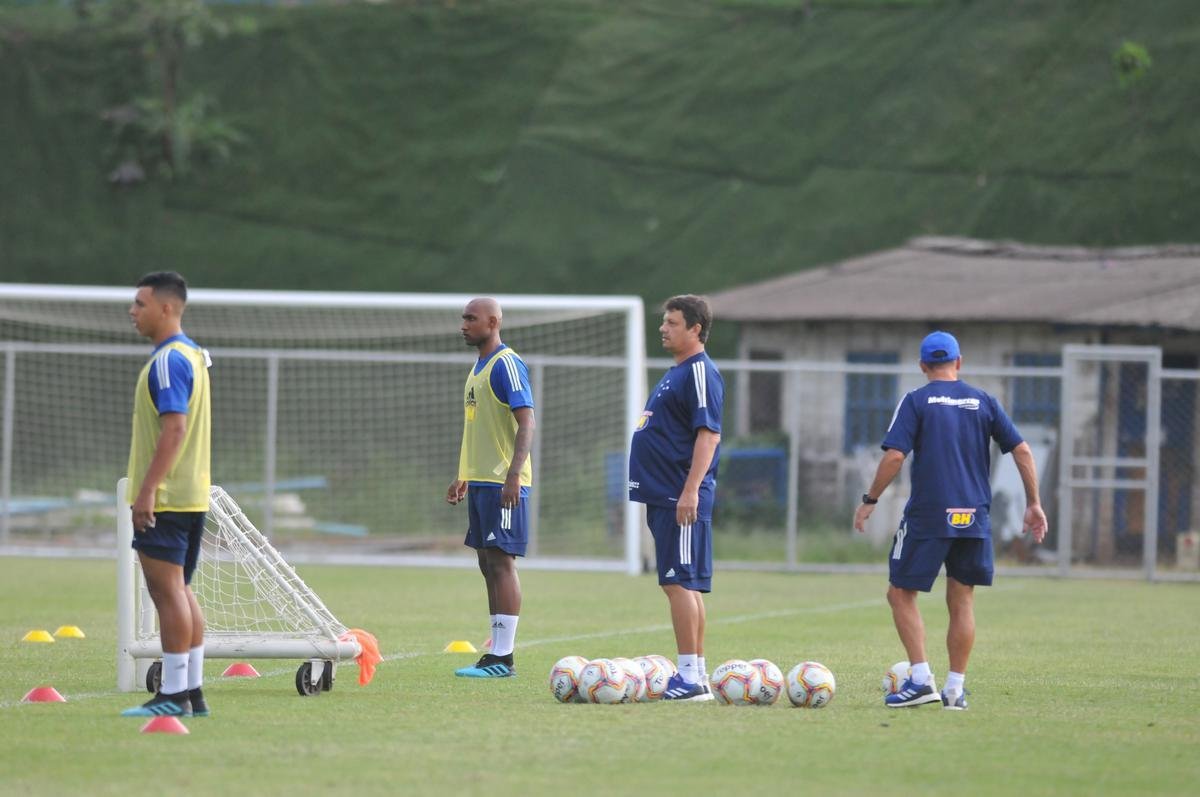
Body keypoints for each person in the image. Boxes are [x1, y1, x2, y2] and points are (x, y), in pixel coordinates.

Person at [853, 331, 1047, 710]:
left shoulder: (916, 400)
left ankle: (921, 679)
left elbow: (895, 456)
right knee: (962, 600)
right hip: (974, 516)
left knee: (899, 593)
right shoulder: (984, 401)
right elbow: (1021, 449)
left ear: (923, 366)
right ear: (959, 362)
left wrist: (870, 499)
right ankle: (955, 690)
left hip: (929, 515)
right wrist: (1034, 503)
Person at [121, 272, 213, 718]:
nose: (132, 312)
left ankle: (173, 694)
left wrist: (148, 490)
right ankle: (191, 692)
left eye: (140, 304)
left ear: (166, 307)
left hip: (170, 497)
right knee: (181, 591)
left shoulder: (168, 360)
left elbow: (174, 428)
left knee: (167, 594)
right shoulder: (194, 354)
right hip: (191, 494)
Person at [629, 295, 724, 701]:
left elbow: (709, 434)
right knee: (683, 584)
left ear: (695, 329)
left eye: (671, 322)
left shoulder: (700, 373)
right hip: (665, 494)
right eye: (663, 322)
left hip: (678, 496)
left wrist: (690, 491)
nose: (663, 328)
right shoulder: (678, 372)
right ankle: (696, 672)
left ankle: (687, 676)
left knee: (679, 583)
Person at [446, 298, 535, 678]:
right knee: (487, 563)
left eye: (471, 318)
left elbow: (527, 421)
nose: (464, 324)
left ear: (494, 321)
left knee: (501, 563)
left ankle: (504, 657)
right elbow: (476, 428)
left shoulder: (506, 364)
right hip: (480, 481)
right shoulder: (477, 368)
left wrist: (513, 475)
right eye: (463, 318)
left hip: (502, 483)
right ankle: (496, 654)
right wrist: (462, 473)